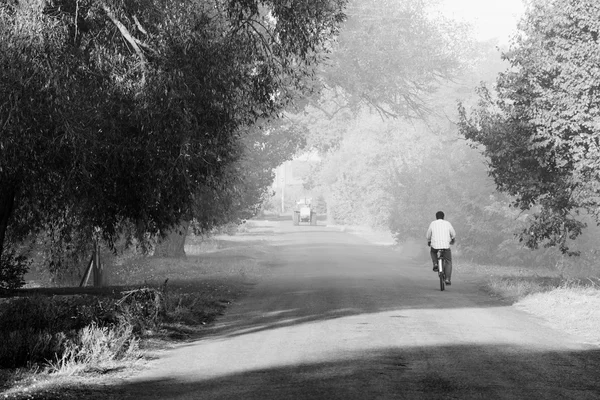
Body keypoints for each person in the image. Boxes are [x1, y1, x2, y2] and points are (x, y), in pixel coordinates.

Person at [426, 211, 456, 285]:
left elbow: (428, 235)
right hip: (446, 245)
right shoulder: (447, 223)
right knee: (448, 261)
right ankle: (447, 279)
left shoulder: (433, 223)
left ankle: (435, 263)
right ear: (443, 217)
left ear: (436, 217)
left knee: (433, 252)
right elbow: (453, 234)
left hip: (435, 245)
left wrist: (429, 241)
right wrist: (452, 240)